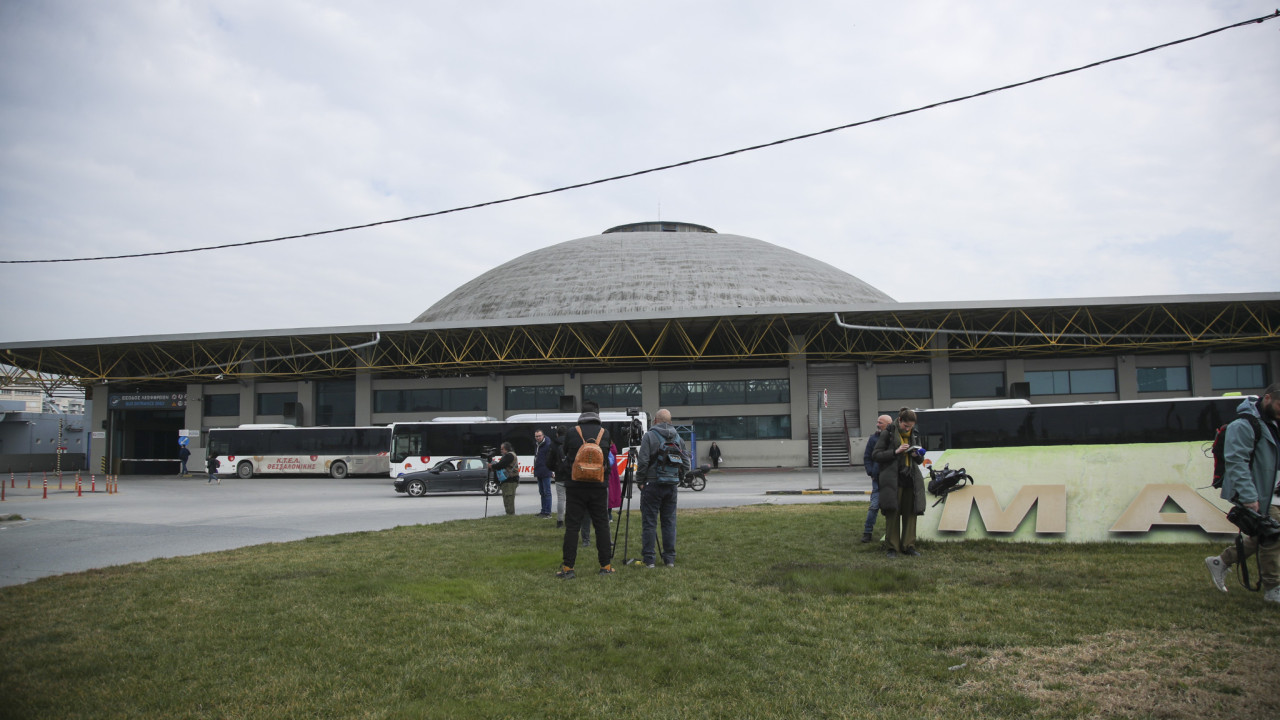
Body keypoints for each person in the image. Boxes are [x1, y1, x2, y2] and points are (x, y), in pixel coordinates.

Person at [1204, 383, 1280, 602]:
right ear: (1267, 398)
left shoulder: (1273, 424)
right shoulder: (1244, 425)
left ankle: (1221, 561)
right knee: (1272, 536)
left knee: (1265, 534)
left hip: (1274, 491)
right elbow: (1236, 461)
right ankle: (1273, 588)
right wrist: (1249, 497)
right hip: (1259, 494)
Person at [556, 400, 615, 578]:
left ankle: (568, 568)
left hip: (575, 486)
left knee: (573, 527)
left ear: (582, 414)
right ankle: (605, 566)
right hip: (598, 486)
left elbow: (566, 454)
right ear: (597, 414)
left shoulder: (573, 432)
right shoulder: (605, 433)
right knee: (602, 526)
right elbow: (606, 459)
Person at [871, 408, 926, 558]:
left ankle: (909, 545)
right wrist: (896, 452)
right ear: (900, 421)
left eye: (911, 426)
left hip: (911, 477)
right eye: (906, 426)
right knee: (892, 513)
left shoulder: (914, 434)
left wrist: (916, 454)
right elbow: (876, 454)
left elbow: (920, 460)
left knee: (910, 513)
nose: (908, 429)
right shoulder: (887, 433)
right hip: (893, 479)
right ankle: (892, 548)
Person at [637, 409, 688, 568]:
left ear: (656, 421)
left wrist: (640, 480)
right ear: (670, 421)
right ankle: (669, 559)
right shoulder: (678, 437)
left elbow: (643, 461)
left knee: (650, 522)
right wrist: (679, 478)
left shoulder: (650, 436)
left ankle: (649, 559)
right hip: (671, 485)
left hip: (652, 484)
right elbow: (686, 463)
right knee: (669, 522)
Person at [860, 414, 892, 543]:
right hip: (877, 479)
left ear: (888, 425)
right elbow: (867, 457)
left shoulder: (893, 439)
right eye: (877, 422)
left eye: (881, 423)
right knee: (874, 506)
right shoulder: (873, 439)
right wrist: (870, 471)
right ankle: (867, 532)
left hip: (890, 479)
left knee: (891, 507)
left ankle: (892, 533)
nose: (877, 425)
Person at [490, 442, 519, 516]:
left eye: (502, 449)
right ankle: (509, 514)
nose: (501, 450)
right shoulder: (509, 455)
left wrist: (492, 466)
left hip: (510, 481)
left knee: (509, 499)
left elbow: (501, 465)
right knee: (506, 499)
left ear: (506, 449)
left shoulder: (509, 455)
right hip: (508, 481)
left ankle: (510, 515)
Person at [533, 430, 554, 519]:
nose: (538, 438)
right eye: (536, 436)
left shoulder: (548, 444)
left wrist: (552, 471)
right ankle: (543, 511)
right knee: (542, 492)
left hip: (546, 471)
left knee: (547, 492)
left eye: (539, 436)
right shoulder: (538, 445)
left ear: (543, 435)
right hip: (539, 471)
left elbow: (551, 459)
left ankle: (547, 512)